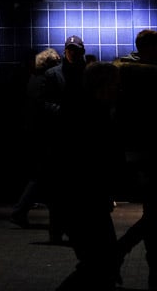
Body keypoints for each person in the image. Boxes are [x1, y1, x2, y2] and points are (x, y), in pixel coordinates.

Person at [44, 60, 123, 290]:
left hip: (81, 200)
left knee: (99, 263)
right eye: (115, 85)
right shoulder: (91, 115)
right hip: (83, 202)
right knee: (99, 263)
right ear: (103, 86)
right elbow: (91, 161)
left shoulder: (82, 110)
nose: (119, 90)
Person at [113, 29, 157, 286]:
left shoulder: (124, 71)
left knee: (153, 212)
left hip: (137, 151)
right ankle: (120, 251)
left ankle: (121, 252)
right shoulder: (141, 74)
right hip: (146, 152)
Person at [41, 34, 89, 243]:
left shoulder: (87, 73)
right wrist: (62, 113)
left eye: (75, 50)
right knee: (60, 189)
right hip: (61, 138)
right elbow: (45, 102)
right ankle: (57, 230)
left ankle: (68, 229)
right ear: (65, 51)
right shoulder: (54, 74)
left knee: (72, 189)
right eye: (70, 50)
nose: (72, 53)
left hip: (76, 138)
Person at [10, 47, 62, 228]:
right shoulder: (46, 80)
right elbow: (45, 107)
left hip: (34, 133)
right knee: (43, 176)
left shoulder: (34, 79)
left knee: (41, 176)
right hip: (45, 134)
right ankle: (19, 211)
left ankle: (21, 211)